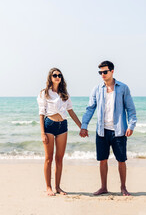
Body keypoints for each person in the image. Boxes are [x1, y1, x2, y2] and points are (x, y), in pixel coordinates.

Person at [79, 60, 137, 196]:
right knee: (102, 160)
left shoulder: (123, 88)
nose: (102, 74)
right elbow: (90, 109)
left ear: (112, 71)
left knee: (121, 160)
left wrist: (131, 125)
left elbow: (131, 109)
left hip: (119, 131)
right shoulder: (97, 89)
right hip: (102, 131)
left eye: (105, 72)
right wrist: (84, 126)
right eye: (100, 72)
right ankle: (103, 187)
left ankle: (123, 187)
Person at [37, 68, 82, 196]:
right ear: (50, 78)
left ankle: (58, 187)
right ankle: (48, 187)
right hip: (49, 125)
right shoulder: (44, 93)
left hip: (62, 126)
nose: (57, 77)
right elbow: (41, 114)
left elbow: (71, 111)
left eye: (59, 75)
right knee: (48, 158)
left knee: (59, 158)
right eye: (55, 75)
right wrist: (42, 133)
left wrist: (81, 127)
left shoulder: (64, 94)